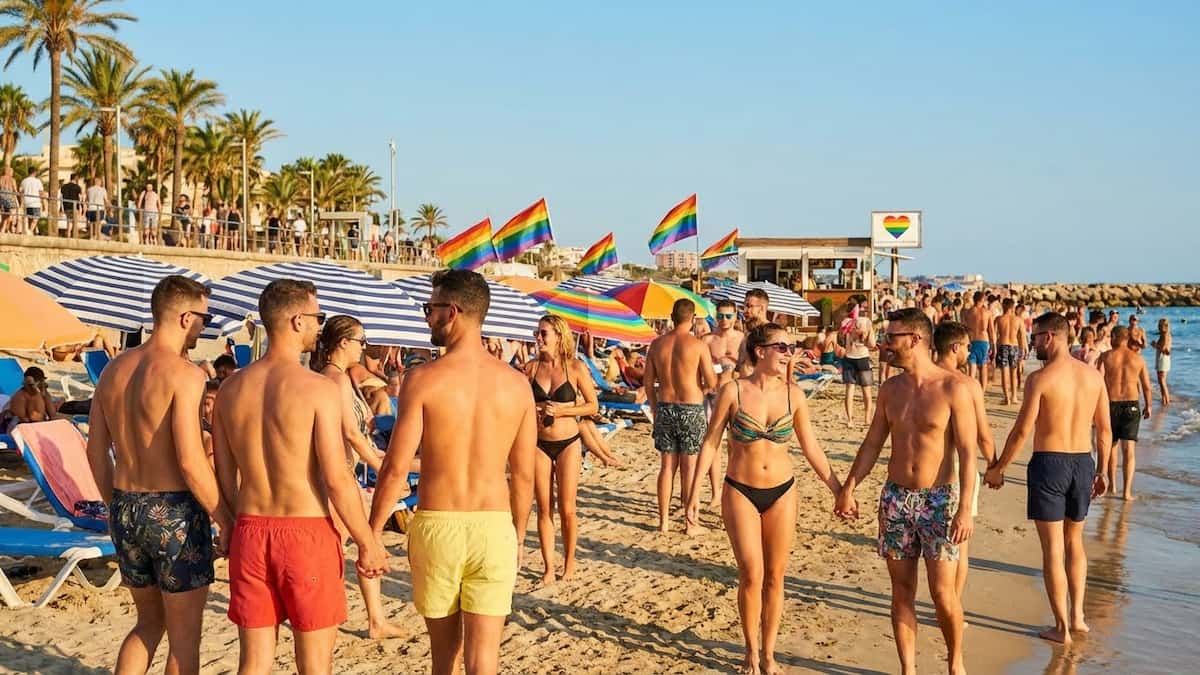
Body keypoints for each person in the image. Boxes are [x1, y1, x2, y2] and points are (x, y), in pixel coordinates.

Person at [212, 279, 389, 673]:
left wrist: (229, 524)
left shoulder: (230, 389)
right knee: (314, 665)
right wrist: (367, 541)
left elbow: (224, 472)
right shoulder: (317, 389)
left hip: (250, 529)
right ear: (296, 321)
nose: (320, 327)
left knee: (253, 664)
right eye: (317, 317)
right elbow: (337, 478)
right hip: (305, 532)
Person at [369, 269, 536, 675]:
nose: (428, 317)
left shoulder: (424, 379)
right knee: (484, 660)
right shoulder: (516, 384)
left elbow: (395, 467)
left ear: (453, 312)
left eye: (431, 309)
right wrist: (518, 535)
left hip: (438, 524)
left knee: (443, 659)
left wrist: (372, 533)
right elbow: (524, 475)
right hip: (494, 526)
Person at [84, 275, 233, 675]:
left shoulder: (113, 370)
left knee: (147, 624)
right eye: (204, 318)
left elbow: (95, 451)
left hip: (125, 505)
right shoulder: (184, 374)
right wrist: (224, 519)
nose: (204, 327)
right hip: (174, 511)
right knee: (184, 641)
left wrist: (115, 504)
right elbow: (190, 460)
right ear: (185, 317)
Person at [686, 323, 841, 675]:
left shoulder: (794, 395)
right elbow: (710, 442)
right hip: (740, 489)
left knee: (775, 576)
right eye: (782, 347)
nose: (789, 353)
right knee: (751, 573)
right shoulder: (733, 391)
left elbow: (812, 447)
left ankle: (769, 653)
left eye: (791, 347)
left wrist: (838, 489)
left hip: (782, 491)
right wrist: (694, 493)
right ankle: (750, 652)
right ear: (760, 351)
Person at [835, 308, 978, 675]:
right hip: (896, 499)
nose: (884, 344)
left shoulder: (953, 388)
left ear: (915, 340)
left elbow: (967, 452)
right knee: (901, 591)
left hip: (939, 500)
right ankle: (908, 670)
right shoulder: (890, 389)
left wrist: (964, 508)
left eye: (891, 337)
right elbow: (872, 443)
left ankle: (955, 662)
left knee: (943, 593)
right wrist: (849, 487)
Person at [984, 312, 1110, 645]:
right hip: (1083, 462)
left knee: (1053, 549)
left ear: (1050, 337)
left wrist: (999, 468)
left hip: (1050, 464)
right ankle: (1078, 617)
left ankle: (1061, 628)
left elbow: (1022, 430)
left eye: (1036, 337)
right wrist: (1103, 470)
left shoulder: (1040, 379)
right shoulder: (1094, 377)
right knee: (1074, 543)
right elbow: (1105, 431)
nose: (1033, 343)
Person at [313, 315, 406, 638]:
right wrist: (383, 470)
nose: (363, 348)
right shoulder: (335, 379)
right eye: (360, 341)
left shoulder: (336, 377)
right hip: (338, 476)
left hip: (345, 473)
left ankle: (375, 619)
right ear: (343, 343)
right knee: (350, 545)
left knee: (368, 541)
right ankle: (360, 619)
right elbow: (351, 434)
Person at [524, 314, 598, 587]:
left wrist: (564, 410)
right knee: (544, 508)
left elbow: (593, 406)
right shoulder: (530, 369)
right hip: (539, 443)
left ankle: (569, 563)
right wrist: (536, 407)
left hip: (568, 442)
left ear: (559, 336)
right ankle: (548, 566)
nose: (539, 338)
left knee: (568, 509)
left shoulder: (575, 368)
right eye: (537, 333)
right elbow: (519, 403)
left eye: (544, 333)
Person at [932, 321, 997, 605]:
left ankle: (944, 603)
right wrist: (995, 467)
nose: (970, 352)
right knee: (959, 545)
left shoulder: (922, 379)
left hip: (926, 471)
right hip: (958, 470)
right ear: (955, 347)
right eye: (968, 347)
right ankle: (953, 606)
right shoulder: (967, 385)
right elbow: (983, 435)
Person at [644, 299, 718, 534]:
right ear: (693, 318)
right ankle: (690, 523)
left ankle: (664, 521)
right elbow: (712, 381)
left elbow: (648, 383)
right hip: (691, 408)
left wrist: (654, 407)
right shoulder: (697, 345)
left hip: (665, 406)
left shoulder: (657, 345)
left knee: (667, 467)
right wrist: (701, 390)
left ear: (671, 316)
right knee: (689, 468)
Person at [1097, 326, 1152, 501]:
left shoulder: (1105, 357)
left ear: (1115, 336)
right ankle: (1126, 493)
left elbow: (1097, 382)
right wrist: (1148, 406)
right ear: (1127, 338)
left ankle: (1112, 486)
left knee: (1111, 446)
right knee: (1129, 450)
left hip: (1110, 405)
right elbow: (1147, 387)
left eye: (1111, 336)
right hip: (1131, 406)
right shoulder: (1138, 359)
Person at [700, 298, 745, 507]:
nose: (724, 320)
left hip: (735, 393)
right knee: (713, 445)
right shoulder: (707, 339)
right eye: (720, 316)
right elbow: (699, 366)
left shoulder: (742, 339)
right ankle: (715, 492)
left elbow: (747, 368)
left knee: (735, 445)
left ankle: (732, 489)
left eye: (728, 316)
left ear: (735, 317)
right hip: (712, 393)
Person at [839, 297, 876, 427]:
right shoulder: (867, 322)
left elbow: (841, 341)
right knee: (866, 390)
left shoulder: (845, 322)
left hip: (849, 357)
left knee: (849, 390)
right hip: (863, 357)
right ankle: (867, 419)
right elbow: (872, 344)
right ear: (859, 308)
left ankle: (850, 420)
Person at [961, 291, 994, 394]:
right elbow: (991, 330)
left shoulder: (967, 312)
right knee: (983, 367)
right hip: (983, 341)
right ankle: (982, 392)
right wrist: (993, 345)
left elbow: (963, 329)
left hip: (971, 341)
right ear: (982, 300)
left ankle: (971, 392)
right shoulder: (987, 312)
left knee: (972, 367)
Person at [994, 298, 1026, 405]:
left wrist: (994, 349)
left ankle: (1006, 398)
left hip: (1003, 346)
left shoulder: (998, 319)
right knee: (1014, 372)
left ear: (1003, 306)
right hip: (1014, 346)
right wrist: (1023, 350)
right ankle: (1014, 397)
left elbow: (994, 336)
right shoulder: (1018, 320)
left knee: (1004, 372)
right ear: (1012, 307)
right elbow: (1022, 337)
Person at [735, 288, 770, 375]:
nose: (745, 311)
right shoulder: (748, 333)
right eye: (744, 306)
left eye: (749, 306)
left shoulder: (772, 334)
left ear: (762, 308)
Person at [1151, 318, 1172, 406]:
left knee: (1162, 381)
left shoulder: (1166, 335)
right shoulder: (1163, 335)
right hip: (1161, 358)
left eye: (1160, 325)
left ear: (1165, 326)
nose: (1159, 327)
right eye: (1159, 325)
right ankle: (1164, 399)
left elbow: (1164, 349)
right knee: (1161, 381)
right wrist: (1156, 345)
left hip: (1163, 358)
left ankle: (1167, 400)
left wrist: (1155, 345)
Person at [19, 167, 45, 234]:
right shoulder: (38, 181)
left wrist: (21, 202)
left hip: (26, 202)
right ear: (34, 172)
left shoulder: (24, 181)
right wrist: (43, 203)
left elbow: (20, 191)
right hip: (35, 202)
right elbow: (41, 192)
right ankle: (30, 231)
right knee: (36, 218)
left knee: (29, 218)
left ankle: (28, 231)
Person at [85, 175, 108, 240]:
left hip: (90, 209)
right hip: (99, 209)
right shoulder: (102, 190)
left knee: (92, 223)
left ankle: (91, 237)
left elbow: (86, 200)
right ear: (99, 182)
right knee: (99, 224)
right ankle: (98, 237)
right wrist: (108, 207)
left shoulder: (89, 189)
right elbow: (106, 200)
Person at [60, 172, 82, 237]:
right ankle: (74, 236)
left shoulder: (64, 186)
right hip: (74, 207)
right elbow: (80, 196)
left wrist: (61, 207)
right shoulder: (77, 187)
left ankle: (68, 235)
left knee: (69, 221)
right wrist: (81, 207)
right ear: (76, 178)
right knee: (75, 222)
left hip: (66, 207)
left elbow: (61, 196)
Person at [0, 165, 17, 233]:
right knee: (9, 215)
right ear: (8, 172)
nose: (12, 173)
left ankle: (4, 229)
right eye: (11, 171)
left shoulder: (1, 178)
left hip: (2, 197)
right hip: (9, 198)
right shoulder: (12, 179)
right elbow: (15, 190)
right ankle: (5, 228)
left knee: (4, 215)